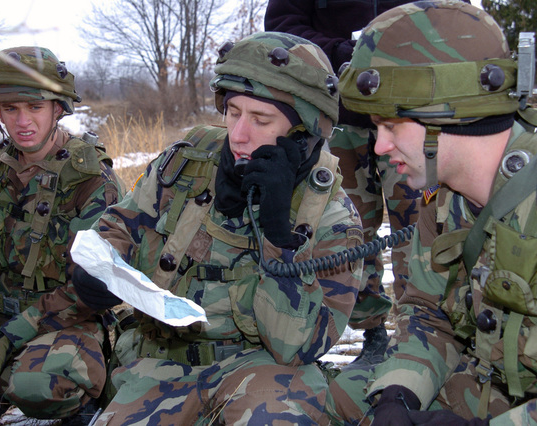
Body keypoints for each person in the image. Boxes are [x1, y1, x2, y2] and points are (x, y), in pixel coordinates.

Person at [71, 32, 364, 425]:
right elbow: (122, 225)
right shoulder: (187, 164)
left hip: (263, 372)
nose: (239, 134)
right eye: (233, 112)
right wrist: (100, 266)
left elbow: (296, 346)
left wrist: (278, 235)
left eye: (261, 119)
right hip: (159, 364)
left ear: (305, 131)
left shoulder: (331, 216)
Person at [324, 1, 537, 424]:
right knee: (320, 405)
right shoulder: (442, 197)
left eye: (391, 125)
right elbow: (428, 313)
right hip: (480, 381)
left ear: (448, 114)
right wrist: (399, 393)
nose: (380, 147)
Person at [0, 46, 125, 425]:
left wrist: (15, 334)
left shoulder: (91, 178)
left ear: (58, 109)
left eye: (34, 108)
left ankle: (81, 408)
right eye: (10, 109)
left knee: (39, 388)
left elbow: (99, 281)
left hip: (67, 321)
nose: (22, 121)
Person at [264, 0, 424, 368]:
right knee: (347, 232)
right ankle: (372, 332)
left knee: (422, 230)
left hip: (414, 114)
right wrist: (341, 53)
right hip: (338, 115)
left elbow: (449, 18)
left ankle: (420, 335)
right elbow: (283, 25)